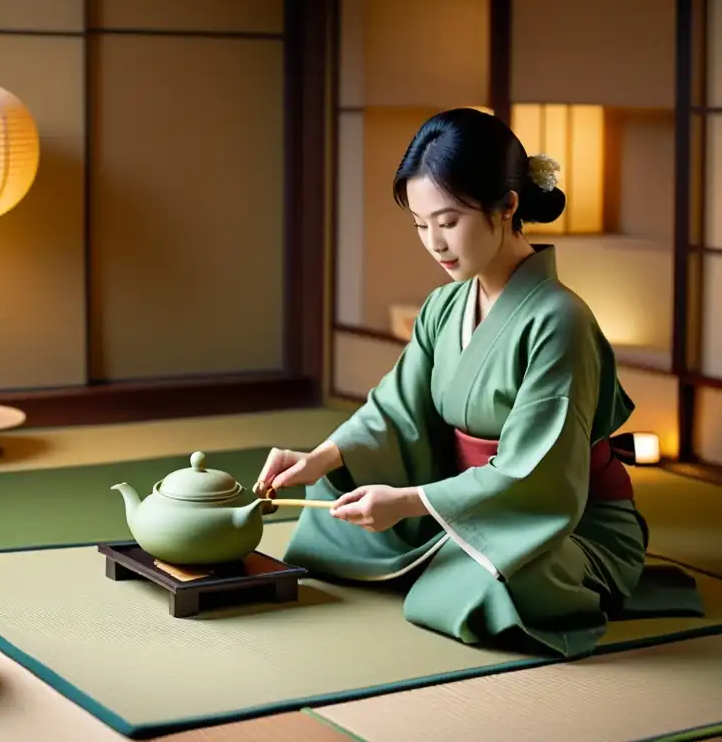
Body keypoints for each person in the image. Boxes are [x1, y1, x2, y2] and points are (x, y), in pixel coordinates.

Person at [254, 108, 695, 658]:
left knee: (508, 572)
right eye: (420, 225)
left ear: (507, 206)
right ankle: (444, 551)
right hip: (466, 500)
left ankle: (459, 558)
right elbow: (396, 408)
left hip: (556, 521)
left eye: (448, 221)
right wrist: (321, 456)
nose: (435, 243)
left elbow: (538, 472)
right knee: (338, 488)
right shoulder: (444, 306)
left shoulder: (561, 321)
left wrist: (412, 501)